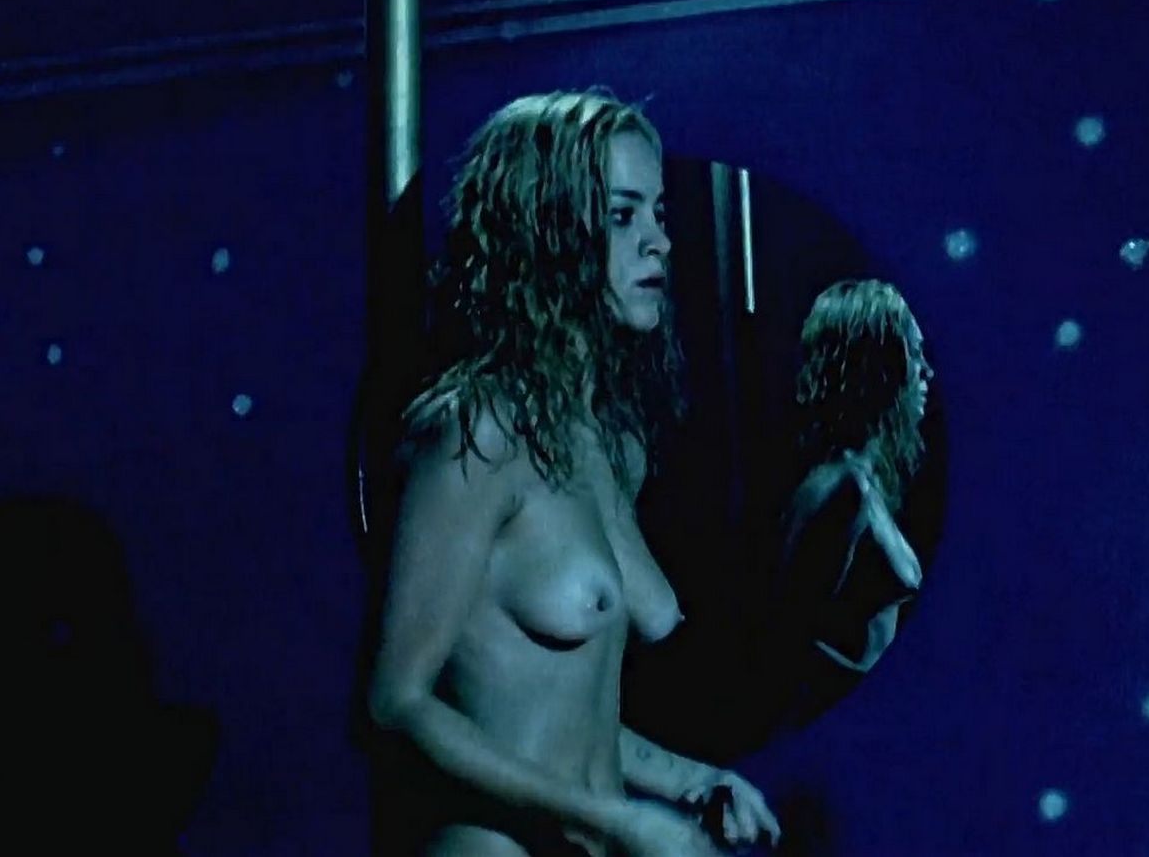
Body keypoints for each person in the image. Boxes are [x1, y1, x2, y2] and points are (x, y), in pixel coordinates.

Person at [363, 91, 780, 856]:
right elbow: (398, 703)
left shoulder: (601, 442)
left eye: (658, 212)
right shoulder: (478, 431)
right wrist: (616, 820)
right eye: (622, 216)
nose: (659, 241)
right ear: (545, 231)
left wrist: (691, 780)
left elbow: (557, 717)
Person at [768, 279, 937, 725]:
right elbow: (789, 637)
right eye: (914, 353)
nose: (926, 372)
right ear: (879, 365)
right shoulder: (841, 489)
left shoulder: (862, 480)